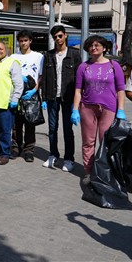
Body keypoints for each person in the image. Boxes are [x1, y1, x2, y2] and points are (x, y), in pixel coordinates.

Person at [72, 35, 126, 181]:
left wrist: (121, 109)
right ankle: (88, 172)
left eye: (97, 45)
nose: (94, 48)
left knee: (106, 142)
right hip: (88, 108)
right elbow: (78, 90)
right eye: (91, 46)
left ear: (104, 47)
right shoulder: (83, 67)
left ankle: (105, 172)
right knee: (88, 142)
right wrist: (75, 109)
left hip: (109, 109)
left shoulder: (114, 66)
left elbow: (121, 89)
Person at [40, 25, 82, 171]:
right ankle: (53, 154)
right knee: (52, 128)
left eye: (60, 36)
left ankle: (69, 158)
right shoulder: (48, 55)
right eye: (55, 37)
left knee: (67, 129)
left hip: (68, 97)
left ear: (65, 35)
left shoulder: (74, 54)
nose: (57, 39)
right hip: (52, 97)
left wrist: (77, 101)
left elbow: (79, 78)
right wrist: (44, 98)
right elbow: (45, 77)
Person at [10, 30, 44, 162]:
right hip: (16, 94)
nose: (23, 43)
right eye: (21, 41)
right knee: (16, 124)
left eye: (26, 40)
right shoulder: (13, 57)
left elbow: (41, 76)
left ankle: (29, 150)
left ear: (30, 41)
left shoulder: (38, 57)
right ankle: (15, 147)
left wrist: (35, 89)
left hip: (31, 94)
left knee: (30, 123)